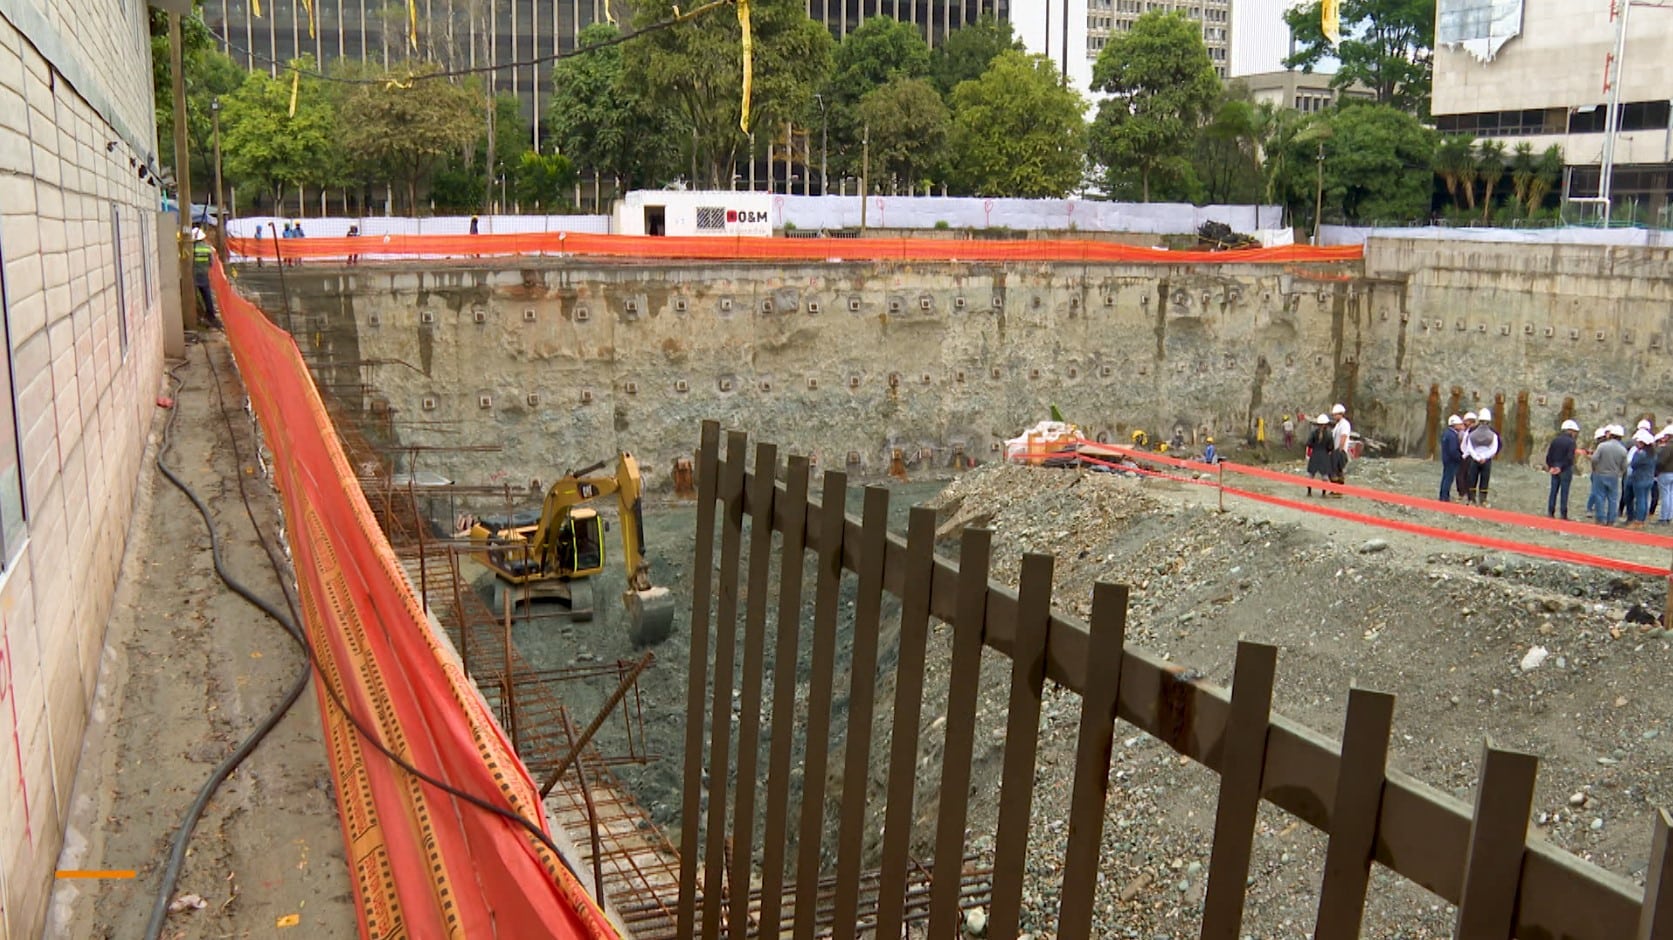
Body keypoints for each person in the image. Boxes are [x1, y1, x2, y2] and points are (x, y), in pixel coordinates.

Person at [1461, 408, 1501, 505]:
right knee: (1479, 479)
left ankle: (1475, 499)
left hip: (1476, 458)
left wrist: (1476, 456)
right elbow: (1495, 448)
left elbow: (1468, 445)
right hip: (1484, 459)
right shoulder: (1493, 433)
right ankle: (1477, 499)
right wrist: (1484, 457)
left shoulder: (1472, 431)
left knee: (1476, 479)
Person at [1591, 425, 1629, 527]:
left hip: (1600, 474)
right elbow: (1625, 466)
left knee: (1600, 497)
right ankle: (1611, 520)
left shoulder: (1602, 446)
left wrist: (1595, 468)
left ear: (1610, 435)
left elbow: (1594, 459)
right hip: (1614, 476)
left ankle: (1600, 519)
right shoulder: (1623, 450)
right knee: (1613, 499)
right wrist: (1619, 472)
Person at [1543, 419, 1580, 519]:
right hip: (1565, 469)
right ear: (1571, 431)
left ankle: (1551, 512)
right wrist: (1561, 467)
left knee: (1553, 491)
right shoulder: (1572, 442)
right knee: (1564, 492)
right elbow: (1569, 458)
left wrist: (1551, 466)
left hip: (1554, 468)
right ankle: (1563, 514)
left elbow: (1549, 455)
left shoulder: (1555, 440)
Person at [1626, 428, 1657, 527]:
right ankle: (1642, 519)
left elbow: (1633, 464)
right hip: (1649, 478)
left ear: (1643, 443)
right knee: (1644, 499)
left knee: (1640, 500)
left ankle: (1638, 520)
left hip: (1639, 479)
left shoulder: (1641, 454)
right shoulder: (1653, 454)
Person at [189, 227, 220, 327]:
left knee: (192, 296)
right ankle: (210, 315)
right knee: (207, 296)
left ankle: (195, 316)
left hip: (193, 275)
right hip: (204, 274)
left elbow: (188, 262)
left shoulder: (191, 248)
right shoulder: (207, 248)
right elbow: (211, 262)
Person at [1305, 413, 1333, 495]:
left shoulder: (1314, 432)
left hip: (1315, 454)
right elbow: (1331, 446)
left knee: (1311, 474)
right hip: (1324, 455)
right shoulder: (1329, 434)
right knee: (1324, 475)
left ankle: (1309, 492)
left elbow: (1309, 443)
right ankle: (1323, 493)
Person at [1439, 414, 1463, 502]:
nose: (1461, 426)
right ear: (1454, 425)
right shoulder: (1452, 435)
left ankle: (1443, 495)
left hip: (1446, 459)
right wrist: (1460, 457)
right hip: (1451, 461)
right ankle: (1444, 497)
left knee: (1446, 478)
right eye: (1459, 424)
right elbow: (1453, 450)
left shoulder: (1447, 433)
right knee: (1448, 479)